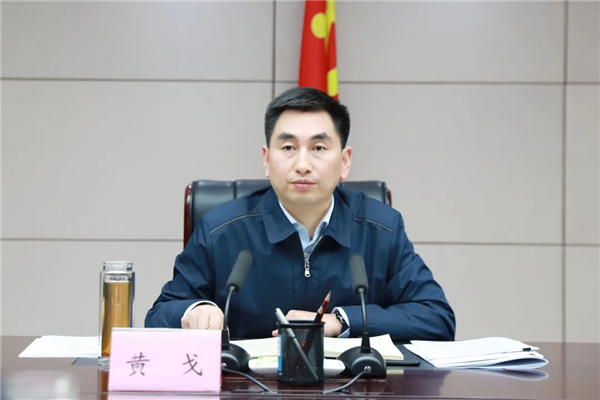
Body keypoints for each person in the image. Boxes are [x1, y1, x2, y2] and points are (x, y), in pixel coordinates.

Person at [145, 87, 456, 341]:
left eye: (318, 148)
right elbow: (159, 315)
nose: (303, 164)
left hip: (353, 388)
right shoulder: (220, 229)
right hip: (247, 388)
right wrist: (193, 311)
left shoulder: (382, 228)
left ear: (345, 161)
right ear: (266, 159)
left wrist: (342, 321)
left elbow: (436, 317)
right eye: (288, 148)